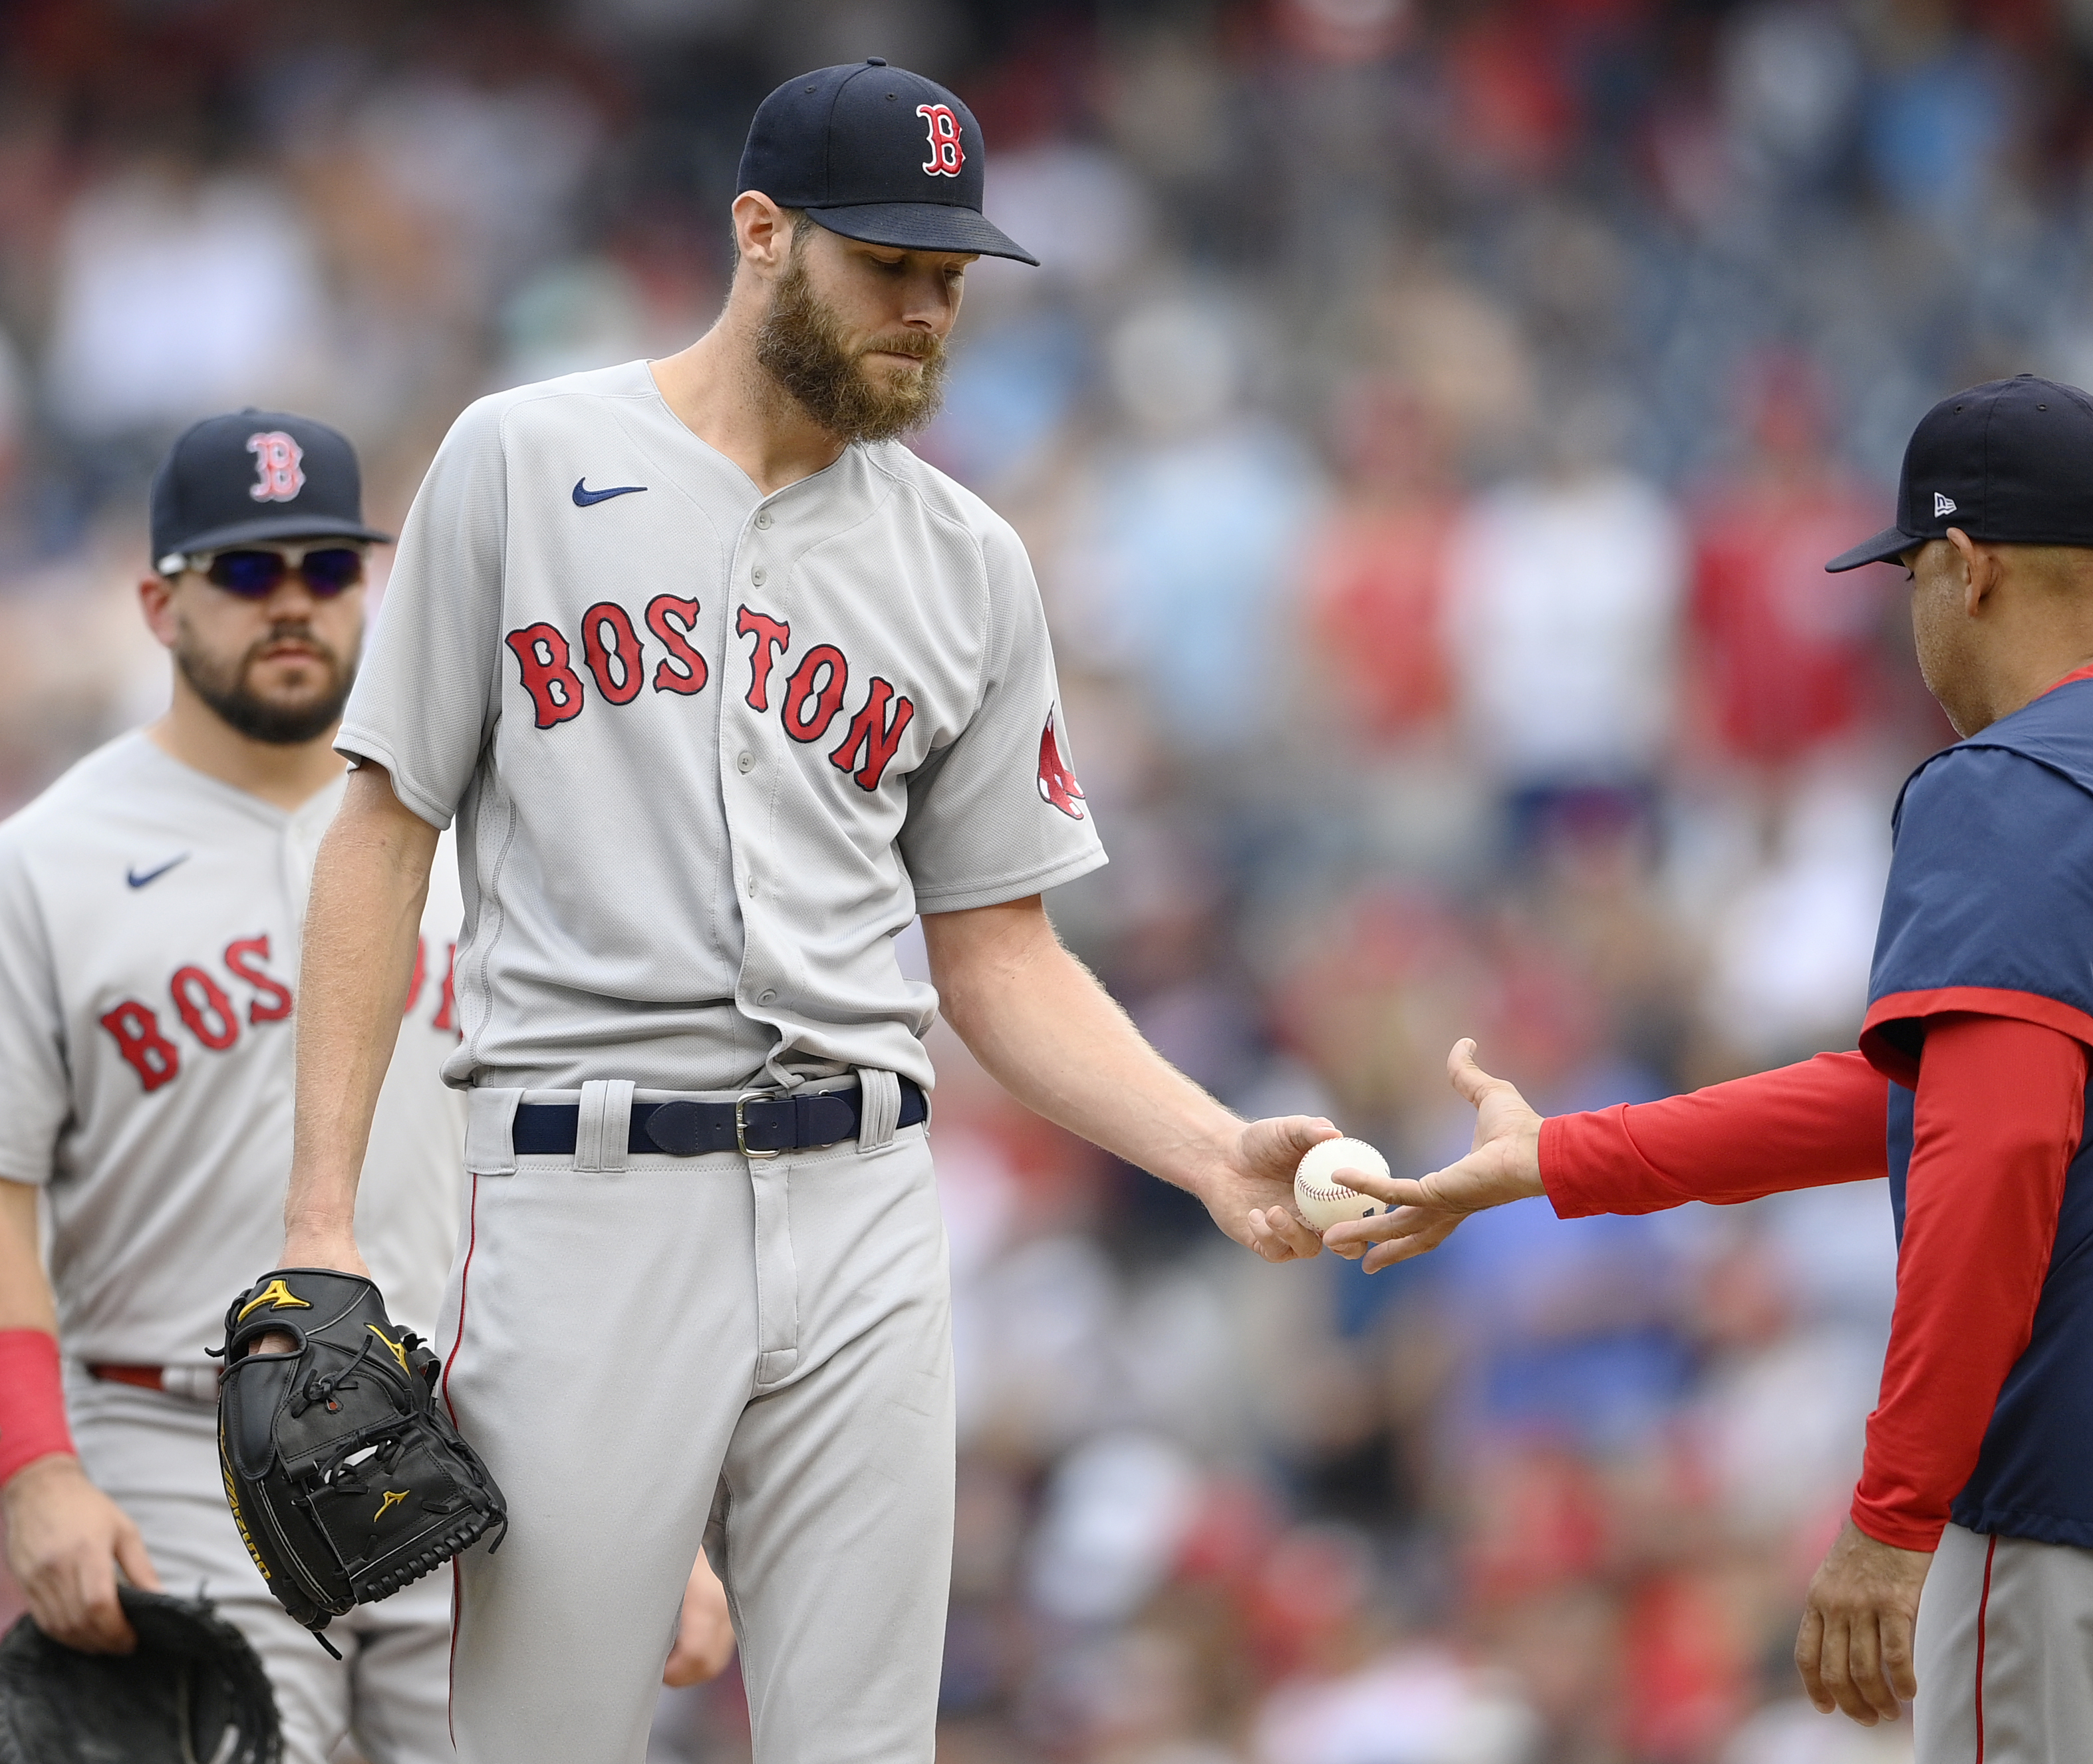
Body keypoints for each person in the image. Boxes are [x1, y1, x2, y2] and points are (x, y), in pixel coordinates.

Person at [263, 63, 1335, 1764]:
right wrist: (322, 1215)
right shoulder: (525, 460)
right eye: (886, 264)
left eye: (951, 278)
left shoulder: (970, 561)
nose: (925, 309)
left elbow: (998, 955)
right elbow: (383, 835)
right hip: (584, 1193)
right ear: (762, 235)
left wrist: (1208, 1150)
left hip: (863, 1204)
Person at [1326, 377, 2093, 1764]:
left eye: (1910, 578)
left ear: (1965, 568)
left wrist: (1891, 1513)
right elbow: (1939, 1095)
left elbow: (1993, 1149)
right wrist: (1564, 1158)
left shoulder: (2016, 778)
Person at [0, 410, 728, 1759]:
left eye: (328, 570)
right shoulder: (41, 865)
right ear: (160, 602)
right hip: (174, 1443)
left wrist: (651, 1510)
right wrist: (35, 1473)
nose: (293, 604)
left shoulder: (487, 843)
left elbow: (582, 1183)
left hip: (469, 1447)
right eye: (246, 571)